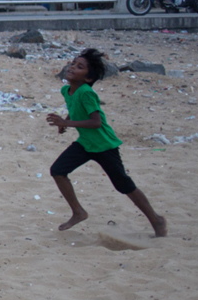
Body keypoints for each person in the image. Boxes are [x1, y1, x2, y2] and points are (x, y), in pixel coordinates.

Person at [48, 48, 167, 237]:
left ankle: (156, 219)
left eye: (80, 67)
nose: (72, 67)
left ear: (88, 78)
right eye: (73, 63)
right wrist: (65, 122)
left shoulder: (87, 92)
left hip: (104, 146)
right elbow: (74, 108)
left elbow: (96, 122)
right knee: (57, 171)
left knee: (123, 185)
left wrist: (67, 123)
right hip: (86, 144)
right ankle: (78, 212)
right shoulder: (67, 90)